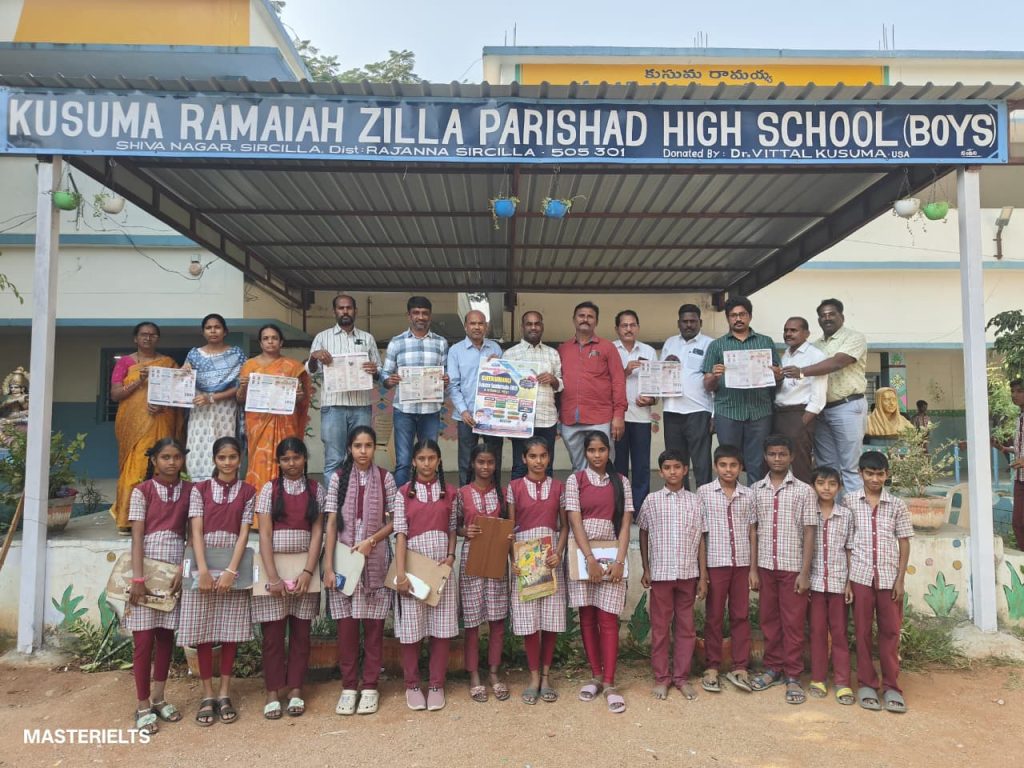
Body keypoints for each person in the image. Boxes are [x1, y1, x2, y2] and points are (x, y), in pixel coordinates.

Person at [177, 436, 256, 726]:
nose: (227, 462)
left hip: (233, 564)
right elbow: (196, 531)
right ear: (214, 460)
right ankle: (207, 694)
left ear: (239, 460)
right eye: (222, 457)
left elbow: (244, 533)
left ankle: (224, 692)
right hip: (204, 565)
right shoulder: (199, 490)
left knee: (229, 632)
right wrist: (203, 571)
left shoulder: (248, 491)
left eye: (232, 457)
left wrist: (231, 571)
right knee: (204, 632)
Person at [323, 426, 397, 717]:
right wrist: (328, 567)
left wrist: (371, 541)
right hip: (343, 563)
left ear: (375, 448)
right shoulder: (338, 478)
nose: (363, 451)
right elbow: (331, 523)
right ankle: (349, 686)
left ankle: (370, 686)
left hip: (375, 562)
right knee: (347, 631)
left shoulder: (385, 478)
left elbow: (395, 521)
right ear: (349, 448)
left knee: (374, 629)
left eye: (368, 445)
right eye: (357, 446)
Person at [252, 438, 325, 720]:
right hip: (274, 570)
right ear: (279, 462)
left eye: (296, 457)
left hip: (305, 570)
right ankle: (272, 692)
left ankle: (295, 689)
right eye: (285, 459)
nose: (291, 463)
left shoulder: (316, 490)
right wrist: (273, 577)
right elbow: (265, 535)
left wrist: (308, 571)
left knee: (301, 634)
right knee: (272, 635)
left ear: (305, 458)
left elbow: (317, 533)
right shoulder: (269, 490)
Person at [125, 437, 191, 735]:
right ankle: (142, 705)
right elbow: (137, 537)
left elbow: (192, 535)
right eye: (165, 457)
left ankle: (159, 698)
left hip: (174, 570)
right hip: (146, 569)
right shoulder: (142, 492)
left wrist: (183, 569)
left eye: (176, 457)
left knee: (165, 637)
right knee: (143, 641)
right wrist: (138, 579)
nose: (172, 462)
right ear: (154, 460)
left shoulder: (190, 491)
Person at [565, 430, 634, 714]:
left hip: (612, 555)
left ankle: (609, 682)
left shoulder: (621, 482)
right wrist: (589, 558)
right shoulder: (576, 480)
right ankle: (595, 674)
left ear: (609, 452)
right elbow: (575, 521)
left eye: (602, 450)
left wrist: (619, 561)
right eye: (592, 450)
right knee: (588, 616)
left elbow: (626, 525)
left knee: (608, 618)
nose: (597, 455)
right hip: (583, 555)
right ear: (585, 452)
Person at [748, 435, 817, 705]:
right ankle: (773, 668)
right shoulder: (756, 490)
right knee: (769, 621)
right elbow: (753, 531)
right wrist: (753, 569)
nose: (777, 458)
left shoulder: (804, 491)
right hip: (766, 566)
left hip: (792, 568)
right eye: (772, 454)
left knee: (793, 623)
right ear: (765, 457)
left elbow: (809, 532)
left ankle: (793, 675)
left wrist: (804, 572)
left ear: (792, 457)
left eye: (782, 454)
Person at [392, 439, 459, 712]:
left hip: (441, 566)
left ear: (439, 461)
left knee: (441, 628)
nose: (427, 463)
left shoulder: (449, 492)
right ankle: (411, 685)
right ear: (414, 462)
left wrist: (451, 556)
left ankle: (435, 684)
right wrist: (400, 574)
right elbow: (400, 534)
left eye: (432, 458)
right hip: (412, 566)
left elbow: (452, 528)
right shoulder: (403, 493)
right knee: (412, 628)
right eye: (422, 458)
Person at [638, 449, 707, 702]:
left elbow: (701, 539)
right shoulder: (651, 501)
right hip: (661, 574)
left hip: (688, 573)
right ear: (661, 472)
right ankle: (661, 678)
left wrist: (702, 576)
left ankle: (681, 677)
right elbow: (643, 532)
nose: (673, 472)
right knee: (660, 628)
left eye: (677, 467)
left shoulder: (695, 501)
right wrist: (646, 568)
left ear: (685, 470)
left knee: (686, 628)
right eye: (667, 468)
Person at [847, 451, 912, 714]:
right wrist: (848, 581)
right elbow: (847, 544)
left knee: (890, 632)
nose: (875, 479)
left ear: (887, 474)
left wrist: (900, 579)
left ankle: (892, 686)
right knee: (862, 632)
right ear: (860, 473)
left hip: (888, 579)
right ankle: (866, 684)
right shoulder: (850, 502)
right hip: (860, 576)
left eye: (880, 474)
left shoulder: (897, 505)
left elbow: (904, 542)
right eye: (869, 473)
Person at [782, 299, 868, 493]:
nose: (827, 318)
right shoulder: (815, 346)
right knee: (827, 467)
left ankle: (855, 510)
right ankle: (830, 509)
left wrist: (801, 371)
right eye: (823, 315)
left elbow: (837, 362)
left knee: (850, 467)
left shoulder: (854, 338)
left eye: (831, 314)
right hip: (821, 411)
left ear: (841, 316)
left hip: (847, 406)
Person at [507, 437, 568, 705]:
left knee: (550, 620)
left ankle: (546, 677)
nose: (538, 461)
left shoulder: (558, 487)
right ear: (524, 459)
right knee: (530, 621)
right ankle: (533, 678)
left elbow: (564, 526)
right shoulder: (514, 487)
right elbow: (510, 529)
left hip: (550, 557)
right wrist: (514, 560)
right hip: (525, 558)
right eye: (533, 456)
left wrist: (559, 553)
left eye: (543, 456)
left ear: (549, 457)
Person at [110, 322, 184, 534]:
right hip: (133, 426)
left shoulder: (168, 363)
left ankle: (161, 519)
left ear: (157, 338)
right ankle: (127, 519)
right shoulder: (125, 362)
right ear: (136, 338)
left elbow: (180, 392)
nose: (148, 338)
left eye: (152, 335)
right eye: (143, 334)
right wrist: (138, 381)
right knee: (135, 469)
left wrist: (162, 405)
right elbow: (115, 394)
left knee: (163, 466)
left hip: (162, 421)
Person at [698, 444, 756, 694]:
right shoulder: (704, 493)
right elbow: (701, 534)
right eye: (723, 465)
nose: (728, 469)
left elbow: (752, 532)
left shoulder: (749, 494)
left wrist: (753, 568)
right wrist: (703, 572)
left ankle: (740, 665)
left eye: (733, 465)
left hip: (741, 564)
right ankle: (712, 665)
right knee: (714, 615)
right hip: (716, 563)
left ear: (741, 468)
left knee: (740, 615)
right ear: (715, 466)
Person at [702, 297, 780, 484]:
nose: (738, 319)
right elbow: (707, 385)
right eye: (733, 315)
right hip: (728, 411)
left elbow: (778, 377)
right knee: (729, 462)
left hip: (760, 411)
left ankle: (755, 499)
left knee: (757, 463)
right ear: (727, 318)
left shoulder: (766, 342)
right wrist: (714, 376)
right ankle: (731, 498)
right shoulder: (717, 345)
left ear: (750, 316)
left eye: (742, 314)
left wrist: (777, 374)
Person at [456, 444, 512, 703]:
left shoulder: (502, 494)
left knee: (497, 619)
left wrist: (508, 535)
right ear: (472, 464)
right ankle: (473, 674)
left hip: (497, 558)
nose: (485, 467)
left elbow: (511, 524)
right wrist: (463, 531)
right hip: (472, 559)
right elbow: (454, 525)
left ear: (495, 465)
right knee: (472, 621)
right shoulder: (462, 494)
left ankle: (493, 671)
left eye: (490, 462)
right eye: (481, 462)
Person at [305, 294, 382, 479]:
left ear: (355, 311)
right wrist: (314, 357)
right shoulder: (322, 338)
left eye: (349, 308)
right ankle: (335, 498)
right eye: (341, 308)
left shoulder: (367, 338)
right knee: (334, 459)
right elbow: (310, 371)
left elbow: (379, 371)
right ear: (335, 311)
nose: (345, 311)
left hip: (361, 406)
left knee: (361, 458)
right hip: (333, 407)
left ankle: (359, 496)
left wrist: (374, 370)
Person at [382, 297, 450, 488]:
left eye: (425, 313)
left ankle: (427, 499)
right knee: (404, 461)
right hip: (404, 411)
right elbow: (385, 375)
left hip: (431, 411)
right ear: (409, 316)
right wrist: (389, 380)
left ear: (430, 316)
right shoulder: (396, 342)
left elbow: (446, 373)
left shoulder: (441, 343)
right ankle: (401, 502)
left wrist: (446, 379)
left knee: (429, 459)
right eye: (416, 313)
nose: (421, 317)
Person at [237, 324, 312, 492]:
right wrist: (243, 387)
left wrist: (299, 396)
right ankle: (259, 502)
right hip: (258, 425)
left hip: (286, 423)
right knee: (259, 460)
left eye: (274, 338)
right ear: (260, 343)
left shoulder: (293, 367)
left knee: (287, 456)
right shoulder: (249, 366)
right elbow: (240, 399)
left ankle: (288, 500)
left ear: (281, 342)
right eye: (266, 338)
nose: (270, 342)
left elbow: (302, 399)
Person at [558, 302, 627, 471]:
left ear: (596, 322)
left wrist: (618, 415)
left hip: (600, 418)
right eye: (581, 315)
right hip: (570, 419)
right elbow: (557, 384)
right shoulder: (563, 349)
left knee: (603, 467)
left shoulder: (607, 347)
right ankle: (581, 490)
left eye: (590, 317)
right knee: (578, 468)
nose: (585, 319)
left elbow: (618, 381)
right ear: (574, 319)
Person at [806, 466, 855, 706]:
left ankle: (842, 681)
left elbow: (849, 549)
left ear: (840, 487)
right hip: (814, 584)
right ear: (813, 486)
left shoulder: (846, 515)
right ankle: (818, 678)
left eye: (832, 484)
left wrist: (849, 583)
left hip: (838, 583)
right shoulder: (808, 513)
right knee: (816, 632)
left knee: (839, 633)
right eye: (821, 483)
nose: (826, 488)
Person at [184, 313, 246, 481]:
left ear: (225, 331)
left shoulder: (236, 354)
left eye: (217, 327)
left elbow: (241, 385)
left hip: (225, 408)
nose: (213, 331)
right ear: (203, 332)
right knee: (198, 446)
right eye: (208, 328)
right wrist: (184, 372)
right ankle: (198, 485)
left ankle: (226, 483)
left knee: (225, 445)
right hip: (199, 408)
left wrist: (213, 398)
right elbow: (183, 382)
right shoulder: (194, 355)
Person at [660, 304, 714, 490]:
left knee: (701, 463)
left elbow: (715, 380)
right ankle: (680, 501)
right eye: (685, 321)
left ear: (700, 322)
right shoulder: (670, 343)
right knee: (675, 463)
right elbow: (658, 376)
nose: (689, 325)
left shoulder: (710, 344)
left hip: (699, 411)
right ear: (678, 323)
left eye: (693, 321)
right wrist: (665, 365)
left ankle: (704, 501)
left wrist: (714, 414)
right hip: (672, 411)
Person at [504, 311, 563, 479]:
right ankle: (518, 498)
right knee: (519, 466)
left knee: (546, 466)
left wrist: (553, 380)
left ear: (542, 326)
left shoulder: (552, 353)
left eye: (537, 323)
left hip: (547, 419)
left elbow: (560, 385)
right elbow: (505, 389)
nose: (533, 327)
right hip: (520, 420)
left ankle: (545, 497)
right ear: (522, 327)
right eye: (529, 324)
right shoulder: (510, 354)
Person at [448, 310, 504, 485]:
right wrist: (463, 411)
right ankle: (465, 497)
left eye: (480, 323)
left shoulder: (495, 348)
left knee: (494, 460)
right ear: (466, 326)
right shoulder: (455, 351)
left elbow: (505, 382)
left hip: (492, 416)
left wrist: (500, 367)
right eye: (473, 323)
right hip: (467, 416)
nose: (477, 327)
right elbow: (453, 385)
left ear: (486, 327)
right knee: (467, 461)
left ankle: (495, 496)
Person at [773, 317, 827, 484]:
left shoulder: (815, 355)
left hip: (799, 414)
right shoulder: (785, 355)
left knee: (800, 464)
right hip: (779, 414)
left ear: (806, 333)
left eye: (793, 330)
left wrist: (802, 422)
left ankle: (805, 499)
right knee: (778, 462)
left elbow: (819, 397)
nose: (788, 334)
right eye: (786, 330)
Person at [612, 309, 657, 511]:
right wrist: (625, 372)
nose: (628, 329)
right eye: (624, 325)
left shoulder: (649, 351)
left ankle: (641, 511)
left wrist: (652, 399)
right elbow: (604, 383)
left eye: (632, 325)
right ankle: (620, 510)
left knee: (641, 467)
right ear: (617, 329)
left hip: (642, 418)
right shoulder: (610, 349)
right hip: (617, 418)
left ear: (638, 327)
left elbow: (657, 384)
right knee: (618, 467)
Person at [999, 379, 1024, 547]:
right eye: (1012, 391)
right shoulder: (1020, 418)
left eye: (1019, 391)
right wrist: (1003, 448)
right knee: (1018, 523)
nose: (1014, 395)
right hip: (1020, 479)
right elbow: (1020, 449)